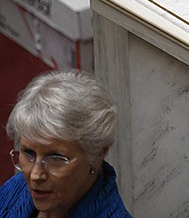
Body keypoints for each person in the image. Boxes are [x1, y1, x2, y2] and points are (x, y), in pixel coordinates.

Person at [0, 69, 132, 218]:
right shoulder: (15, 189)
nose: (35, 175)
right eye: (29, 153)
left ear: (97, 155)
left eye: (56, 158)